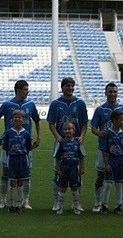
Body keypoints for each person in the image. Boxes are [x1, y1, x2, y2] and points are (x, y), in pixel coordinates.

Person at [0, 80, 41, 209]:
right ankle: (3, 200)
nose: (27, 92)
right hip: (9, 144)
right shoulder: (8, 104)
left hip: (25, 144)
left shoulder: (30, 104)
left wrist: (38, 137)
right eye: (25, 89)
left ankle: (25, 201)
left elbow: (36, 120)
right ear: (18, 90)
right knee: (6, 171)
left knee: (26, 173)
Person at [47, 77, 88, 212]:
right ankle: (56, 202)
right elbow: (51, 124)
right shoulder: (55, 104)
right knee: (57, 171)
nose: (69, 88)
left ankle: (76, 203)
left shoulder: (80, 103)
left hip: (76, 142)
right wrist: (58, 137)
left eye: (71, 86)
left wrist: (81, 136)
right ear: (62, 87)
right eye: (67, 86)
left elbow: (84, 124)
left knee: (78, 173)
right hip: (61, 143)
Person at [90, 82, 123, 213]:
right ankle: (98, 202)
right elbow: (93, 128)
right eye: (110, 92)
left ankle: (122, 204)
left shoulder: (122, 109)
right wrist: (99, 133)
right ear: (105, 93)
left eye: (114, 92)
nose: (112, 94)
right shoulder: (100, 110)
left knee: (121, 177)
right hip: (104, 148)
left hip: (119, 149)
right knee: (101, 175)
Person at [99, 110, 123, 214]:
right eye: (122, 120)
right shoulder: (107, 133)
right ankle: (104, 205)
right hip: (111, 161)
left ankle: (118, 205)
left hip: (121, 161)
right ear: (114, 120)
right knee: (108, 184)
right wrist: (106, 163)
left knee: (119, 183)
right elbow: (104, 150)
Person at [2, 110, 33, 213]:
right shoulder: (8, 133)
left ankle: (18, 204)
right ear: (12, 119)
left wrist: (29, 161)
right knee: (12, 181)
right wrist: (5, 162)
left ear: (23, 120)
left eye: (20, 118)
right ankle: (11, 204)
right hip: (12, 159)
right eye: (15, 117)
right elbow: (5, 148)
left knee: (20, 181)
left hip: (22, 159)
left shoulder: (26, 134)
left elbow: (28, 148)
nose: (17, 119)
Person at [53, 121, 85, 214]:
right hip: (64, 168)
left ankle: (76, 206)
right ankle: (60, 206)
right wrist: (58, 169)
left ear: (74, 131)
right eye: (65, 129)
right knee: (62, 187)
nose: (68, 131)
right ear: (63, 131)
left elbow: (82, 156)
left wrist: (82, 168)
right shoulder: (61, 143)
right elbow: (57, 158)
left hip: (74, 168)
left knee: (74, 188)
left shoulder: (78, 142)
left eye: (70, 129)